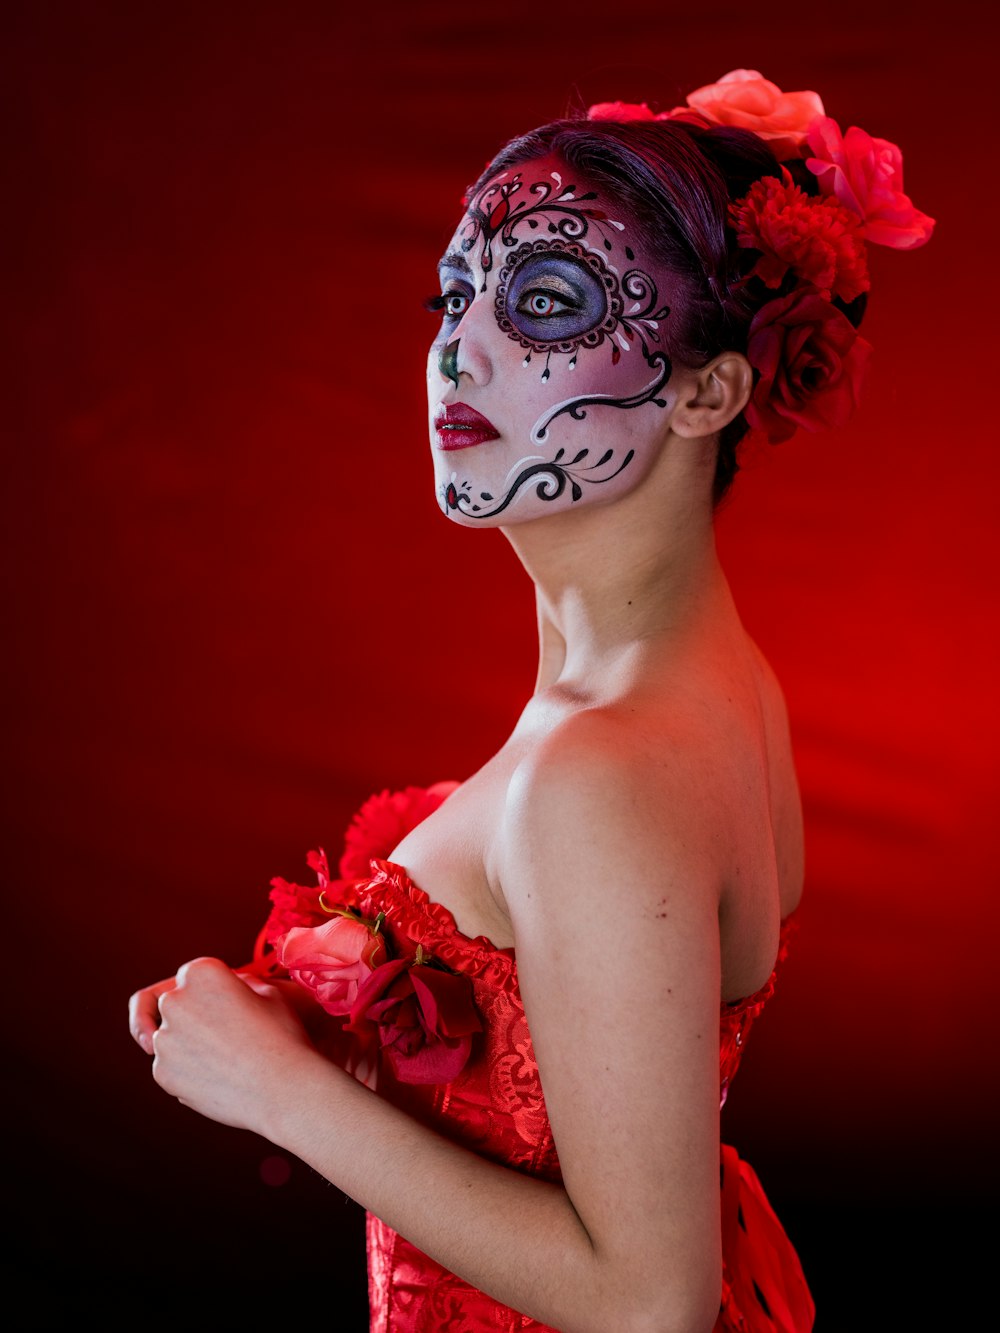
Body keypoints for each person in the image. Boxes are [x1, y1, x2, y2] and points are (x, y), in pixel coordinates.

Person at [128, 68, 933, 1332]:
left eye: (542, 305)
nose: (460, 346)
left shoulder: (607, 764)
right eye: (453, 295)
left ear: (708, 391)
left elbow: (647, 1298)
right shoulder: (697, 685)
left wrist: (277, 1090)